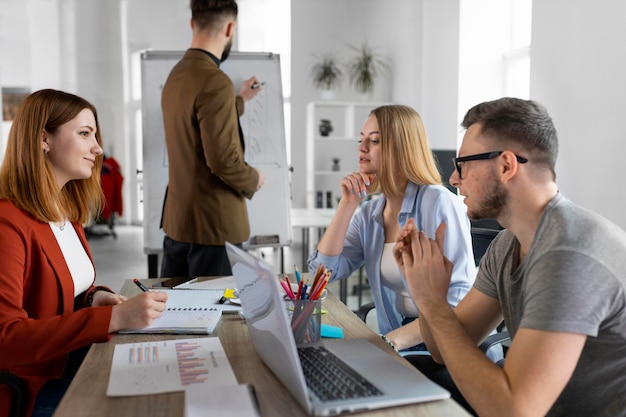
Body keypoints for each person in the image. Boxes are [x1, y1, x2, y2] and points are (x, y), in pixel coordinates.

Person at [394, 97, 626, 416]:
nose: (453, 179)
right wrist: (426, 290)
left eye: (463, 165)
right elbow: (442, 353)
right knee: (411, 376)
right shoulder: (507, 244)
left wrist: (434, 302)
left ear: (506, 165)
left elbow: (515, 411)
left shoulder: (570, 253)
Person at [0, 89, 168, 417]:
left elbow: (59, 292)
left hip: (70, 358)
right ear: (43, 139)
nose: (98, 148)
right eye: (84, 134)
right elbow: (6, 337)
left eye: (95, 134)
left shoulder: (65, 211)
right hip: (34, 385)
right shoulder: (8, 222)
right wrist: (114, 317)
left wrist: (93, 299)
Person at [307, 104, 477, 352]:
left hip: (444, 341)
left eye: (374, 141)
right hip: (401, 338)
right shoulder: (370, 213)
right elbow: (322, 273)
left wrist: (392, 342)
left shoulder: (437, 202)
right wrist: (347, 205)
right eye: (361, 140)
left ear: (401, 149)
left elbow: (460, 298)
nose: (362, 148)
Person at [160, 0, 265, 278]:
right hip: (213, 227)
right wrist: (253, 178)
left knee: (177, 312)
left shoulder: (177, 75)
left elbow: (200, 118)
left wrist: (239, 99)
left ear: (192, 23)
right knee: (215, 317)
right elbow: (222, 160)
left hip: (179, 223)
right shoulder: (215, 81)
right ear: (230, 27)